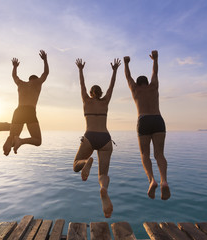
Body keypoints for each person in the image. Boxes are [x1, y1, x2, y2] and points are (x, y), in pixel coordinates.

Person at [73, 58, 121, 218]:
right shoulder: (105, 101)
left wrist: (80, 69)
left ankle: (87, 162)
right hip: (105, 138)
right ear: (100, 94)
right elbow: (112, 86)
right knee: (103, 174)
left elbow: (82, 85)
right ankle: (104, 190)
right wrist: (114, 70)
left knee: (75, 165)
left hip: (90, 136)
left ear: (91, 93)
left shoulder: (86, 100)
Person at [123, 50, 171, 200]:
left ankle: (152, 180)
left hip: (143, 120)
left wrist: (126, 63)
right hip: (157, 119)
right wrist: (155, 59)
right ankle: (164, 181)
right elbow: (155, 72)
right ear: (147, 82)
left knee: (145, 154)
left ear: (137, 83)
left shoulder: (135, 89)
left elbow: (128, 77)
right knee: (159, 154)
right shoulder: (154, 86)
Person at [3, 50, 49, 156]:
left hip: (18, 111)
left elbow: (14, 76)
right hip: (29, 111)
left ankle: (9, 142)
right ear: (36, 79)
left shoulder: (21, 84)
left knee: (12, 138)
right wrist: (45, 60)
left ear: (29, 79)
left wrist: (15, 66)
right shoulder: (38, 83)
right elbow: (45, 73)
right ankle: (21, 141)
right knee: (37, 141)